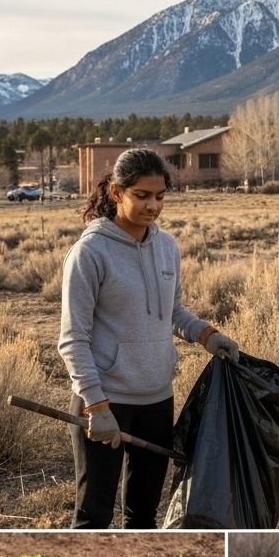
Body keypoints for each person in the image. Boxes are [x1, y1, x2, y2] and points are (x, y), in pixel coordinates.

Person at [59, 147, 239, 529]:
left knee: (143, 515)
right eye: (141, 195)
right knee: (93, 517)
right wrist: (96, 406)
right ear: (116, 193)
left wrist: (207, 336)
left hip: (157, 397)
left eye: (159, 196)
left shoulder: (167, 247)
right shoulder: (89, 253)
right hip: (106, 402)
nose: (152, 206)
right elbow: (73, 339)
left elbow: (172, 311)